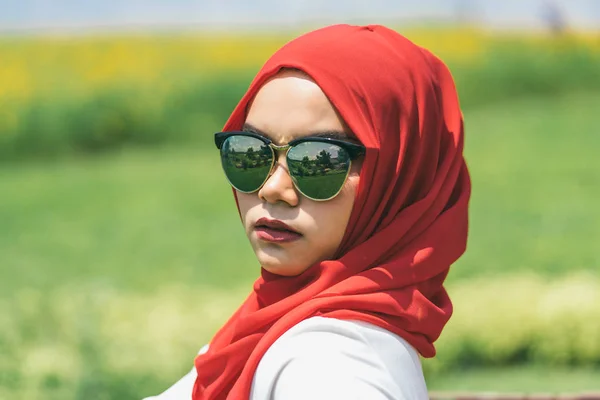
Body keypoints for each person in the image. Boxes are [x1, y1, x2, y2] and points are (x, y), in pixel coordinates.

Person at [144, 23, 471, 400]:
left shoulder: (331, 367)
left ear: (400, 176)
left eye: (320, 160)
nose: (273, 189)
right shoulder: (272, 326)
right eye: (249, 152)